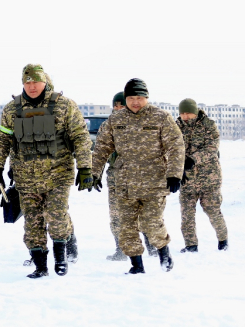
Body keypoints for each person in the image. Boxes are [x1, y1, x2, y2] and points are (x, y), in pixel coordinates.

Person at [0, 64, 92, 279]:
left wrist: (85, 167)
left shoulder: (64, 105)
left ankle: (61, 257)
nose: (32, 86)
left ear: (45, 81)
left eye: (35, 81)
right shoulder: (12, 109)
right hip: (25, 178)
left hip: (58, 175)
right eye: (27, 82)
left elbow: (80, 137)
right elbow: (2, 140)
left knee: (56, 216)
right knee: (32, 221)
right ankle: (40, 266)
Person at [91, 78, 185, 274]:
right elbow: (101, 148)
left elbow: (176, 146)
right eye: (131, 98)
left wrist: (175, 174)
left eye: (139, 98)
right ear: (125, 99)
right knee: (126, 227)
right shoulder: (115, 120)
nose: (135, 102)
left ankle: (164, 254)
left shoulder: (161, 117)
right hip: (125, 182)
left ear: (146, 98)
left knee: (152, 223)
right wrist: (93, 172)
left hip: (155, 181)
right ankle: (136, 266)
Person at [104, 92, 158, 261]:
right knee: (115, 216)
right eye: (116, 105)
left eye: (122, 105)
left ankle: (152, 247)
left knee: (141, 214)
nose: (118, 108)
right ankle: (121, 250)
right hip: (114, 177)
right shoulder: (108, 125)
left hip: (138, 176)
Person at [176, 98, 228, 252]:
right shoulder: (176, 126)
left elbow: (212, 147)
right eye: (182, 113)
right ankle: (191, 245)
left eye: (188, 113)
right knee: (186, 214)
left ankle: (223, 240)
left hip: (209, 178)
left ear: (195, 112)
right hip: (186, 178)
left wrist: (193, 159)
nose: (185, 116)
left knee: (213, 211)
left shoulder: (208, 125)